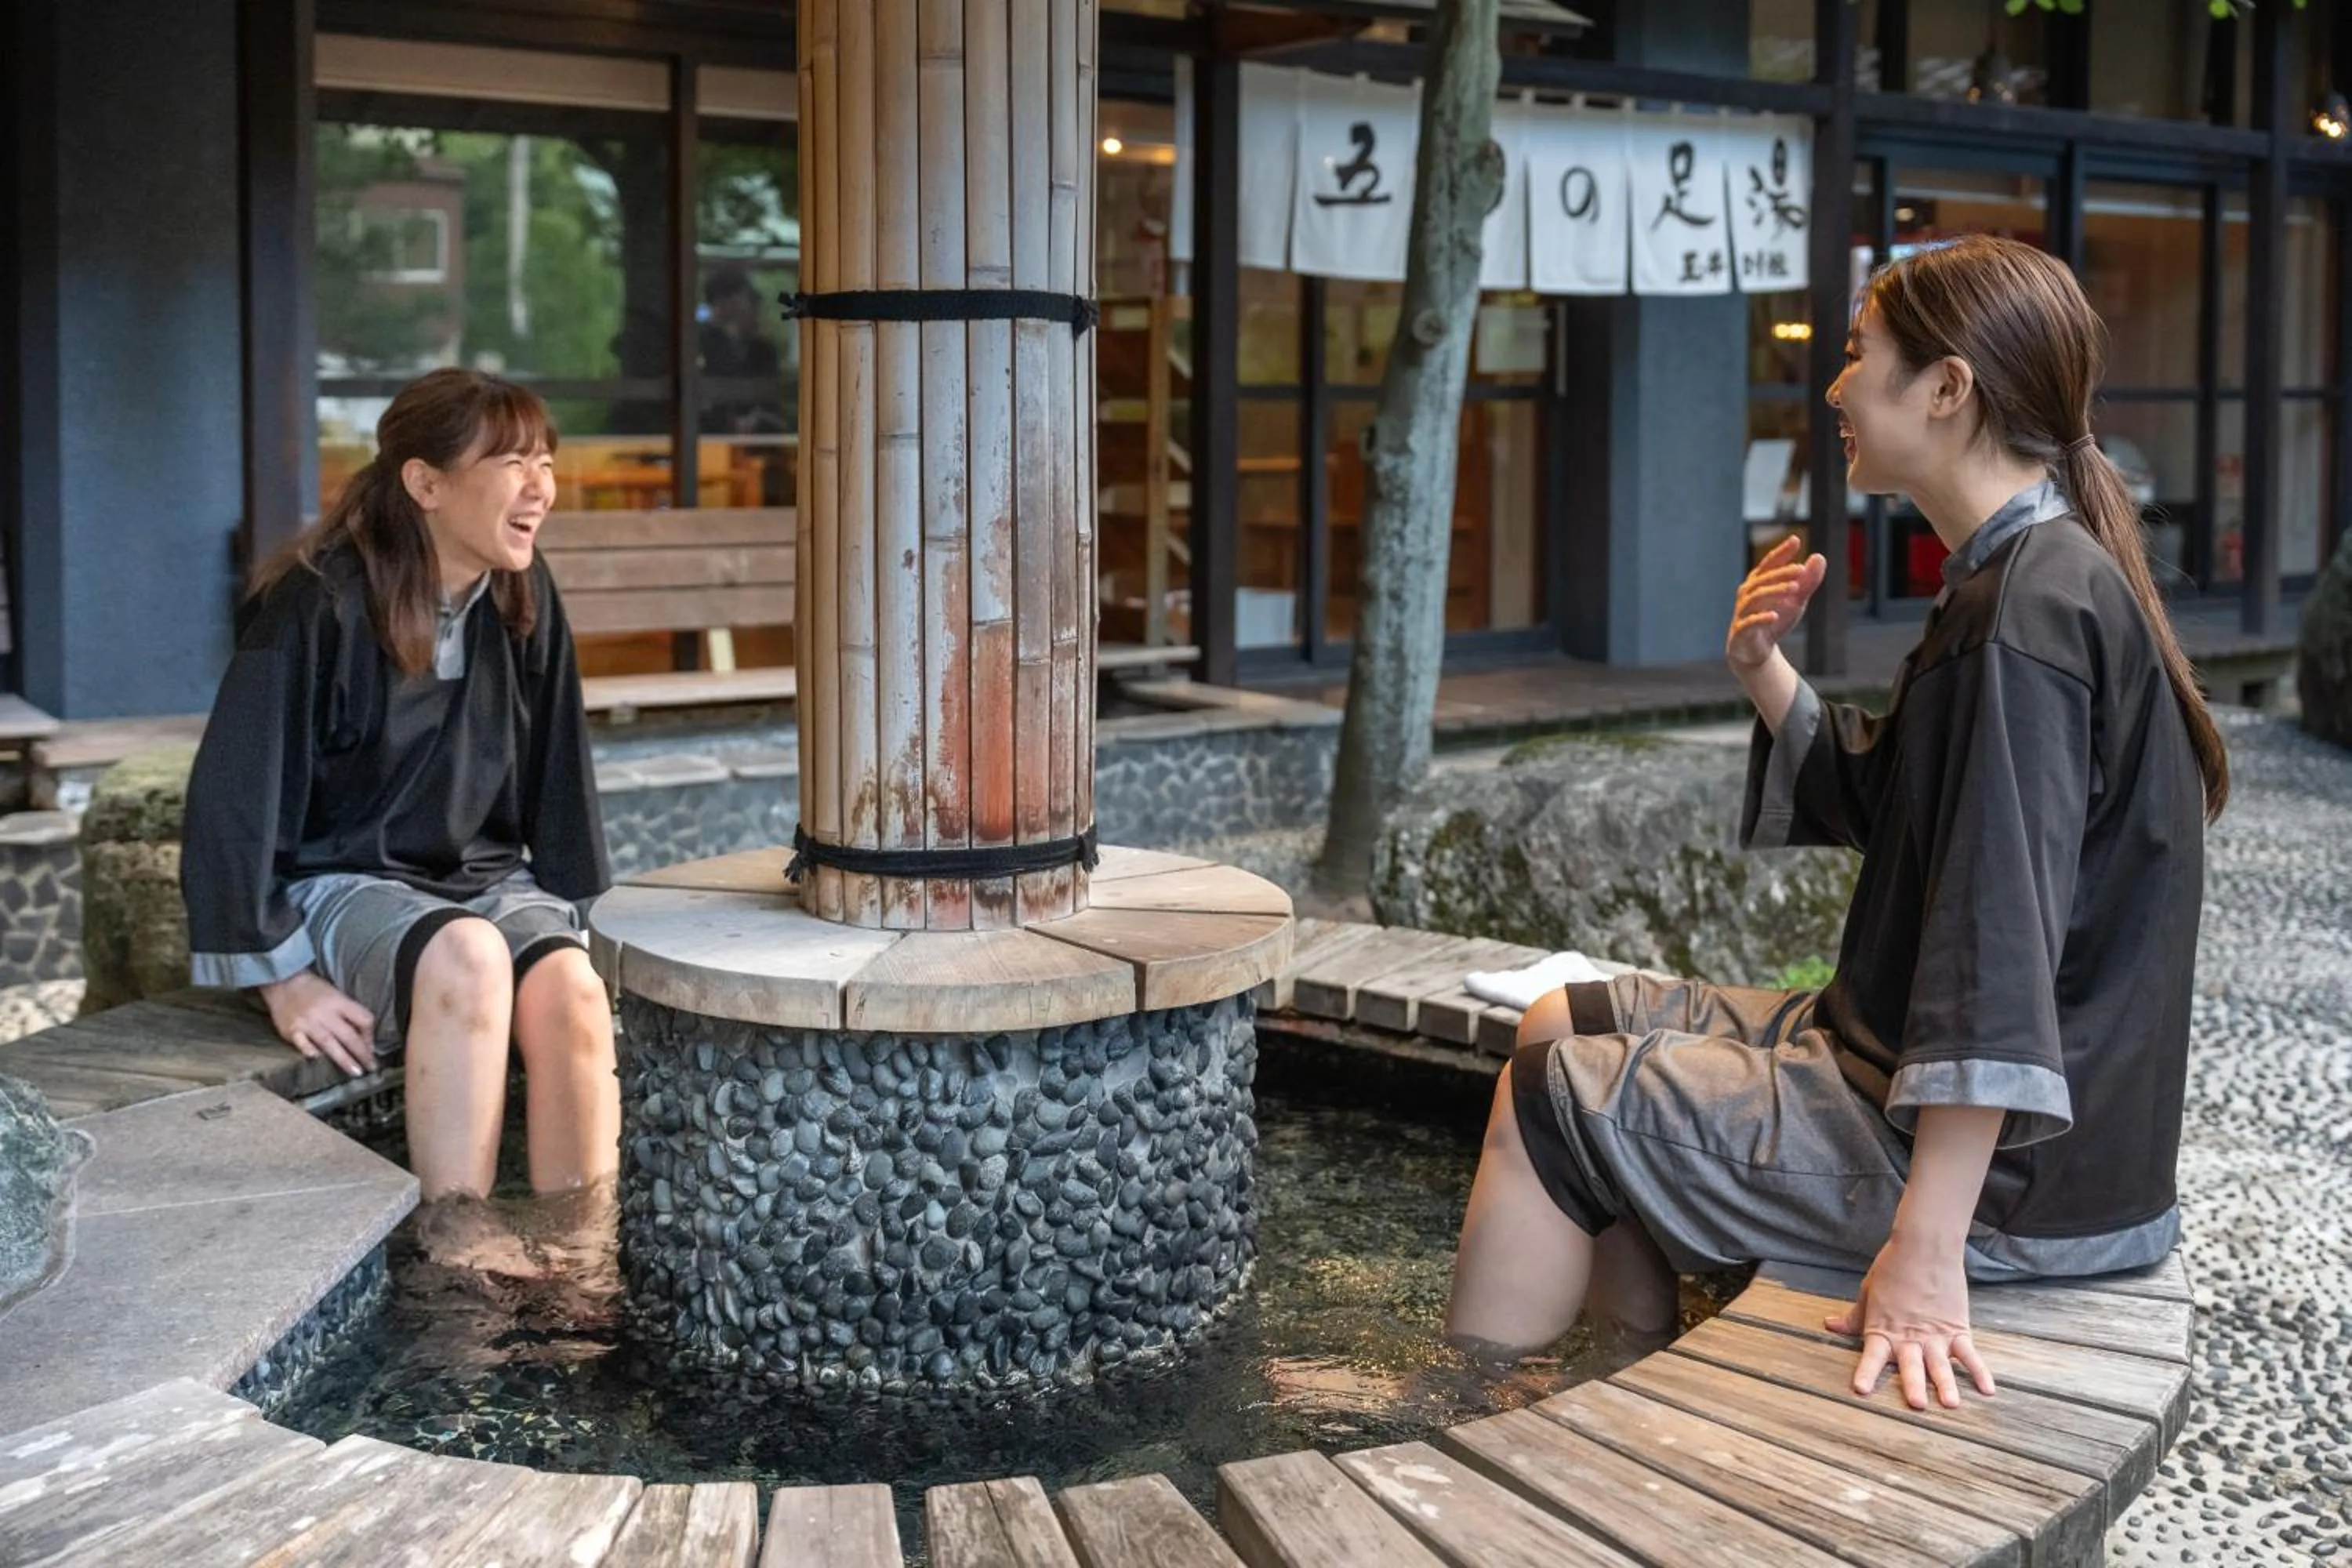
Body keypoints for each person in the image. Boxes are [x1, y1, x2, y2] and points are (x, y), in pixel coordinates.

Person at [1446, 234, 2227, 1413]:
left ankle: (1455, 1429)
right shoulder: (2016, 580)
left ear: (1949, 389)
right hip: (1919, 1086)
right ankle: (1627, 1378)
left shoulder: (2026, 619)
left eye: (1861, 355)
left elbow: (1994, 953)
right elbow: (1893, 802)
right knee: (1565, 1016)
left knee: (1556, 1101)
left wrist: (1926, 1254)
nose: (1836, 384)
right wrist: (1762, 668)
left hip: (2009, 1180)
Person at [182, 368, 619, 1206]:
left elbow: (562, 775)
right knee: (468, 956)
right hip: (342, 882)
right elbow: (234, 792)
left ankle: (581, 1252)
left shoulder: (524, 588)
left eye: (548, 462)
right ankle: (458, 1256)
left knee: (570, 985)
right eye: (513, 463)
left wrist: (587, 918)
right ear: (426, 482)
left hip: (482, 879)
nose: (542, 488)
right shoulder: (318, 600)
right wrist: (282, 975)